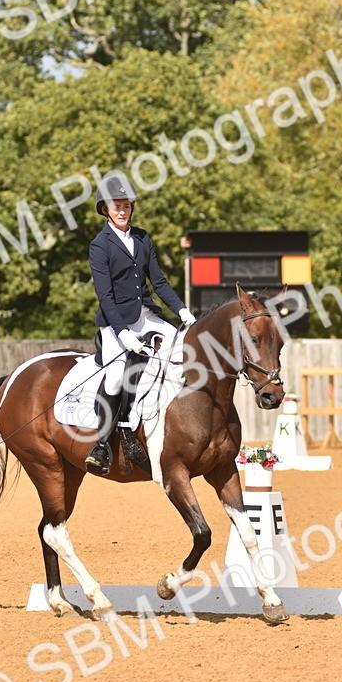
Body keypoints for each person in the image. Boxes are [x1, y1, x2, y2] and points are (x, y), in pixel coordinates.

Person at [85, 176, 196, 475]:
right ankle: (102, 443)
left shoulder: (143, 238)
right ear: (106, 210)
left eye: (126, 206)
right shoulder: (100, 245)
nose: (122, 211)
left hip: (146, 315)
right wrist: (123, 333)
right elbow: (105, 296)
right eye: (116, 207)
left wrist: (182, 311)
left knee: (184, 351)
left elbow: (158, 282)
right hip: (115, 322)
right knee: (115, 378)